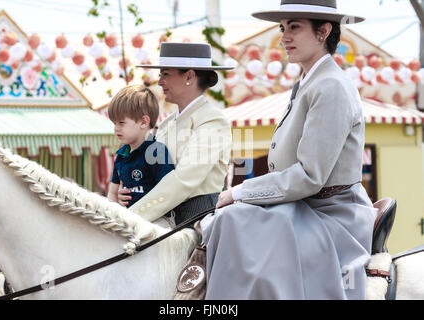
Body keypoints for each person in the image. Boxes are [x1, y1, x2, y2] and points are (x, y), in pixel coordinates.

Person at [200, 0, 377, 300]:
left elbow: (310, 176)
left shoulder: (331, 85)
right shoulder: (309, 81)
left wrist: (239, 192)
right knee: (225, 219)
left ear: (323, 31)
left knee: (231, 220)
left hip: (330, 213)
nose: (284, 36)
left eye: (294, 27)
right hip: (301, 206)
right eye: (283, 28)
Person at [117, 42, 234, 226]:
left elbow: (184, 180)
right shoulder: (166, 124)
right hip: (159, 219)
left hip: (198, 222)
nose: (160, 82)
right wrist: (129, 189)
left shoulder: (212, 120)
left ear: (189, 76)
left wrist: (132, 216)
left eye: (166, 74)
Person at [107, 85, 174, 208]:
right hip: (128, 218)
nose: (116, 128)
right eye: (114, 123)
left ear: (144, 122)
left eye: (121, 122)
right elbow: (112, 194)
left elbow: (168, 190)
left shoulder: (156, 152)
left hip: (157, 218)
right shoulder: (121, 155)